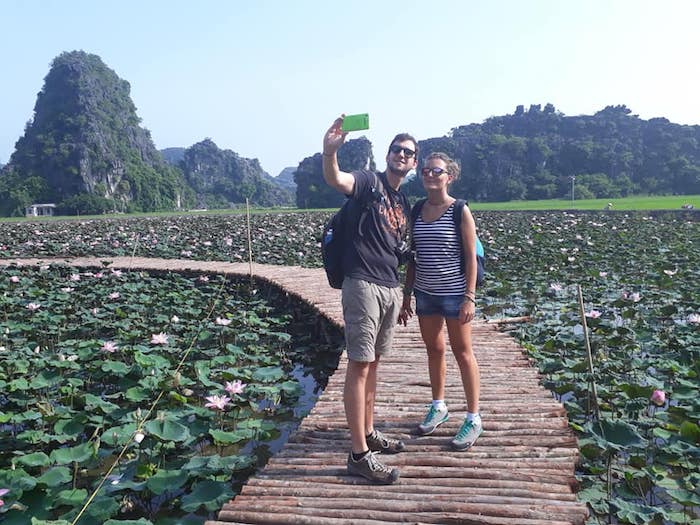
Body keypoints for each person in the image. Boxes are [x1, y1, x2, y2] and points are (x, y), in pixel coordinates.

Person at [322, 115, 416, 484]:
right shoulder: (368, 182)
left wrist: (405, 294)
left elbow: (404, 250)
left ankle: (370, 430)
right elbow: (337, 179)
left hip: (390, 287)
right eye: (396, 149)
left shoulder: (402, 201)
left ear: (412, 163)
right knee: (360, 365)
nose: (401, 155)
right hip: (362, 284)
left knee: (374, 363)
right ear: (388, 155)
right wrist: (330, 152)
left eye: (408, 152)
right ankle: (359, 454)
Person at [399, 152, 483, 451]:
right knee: (434, 349)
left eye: (437, 171)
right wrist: (407, 294)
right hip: (425, 292)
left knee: (463, 352)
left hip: (454, 293)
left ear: (450, 176)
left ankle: (473, 418)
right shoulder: (418, 210)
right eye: (426, 170)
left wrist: (469, 297)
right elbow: (413, 256)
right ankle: (439, 405)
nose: (430, 175)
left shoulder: (460, 210)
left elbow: (471, 259)